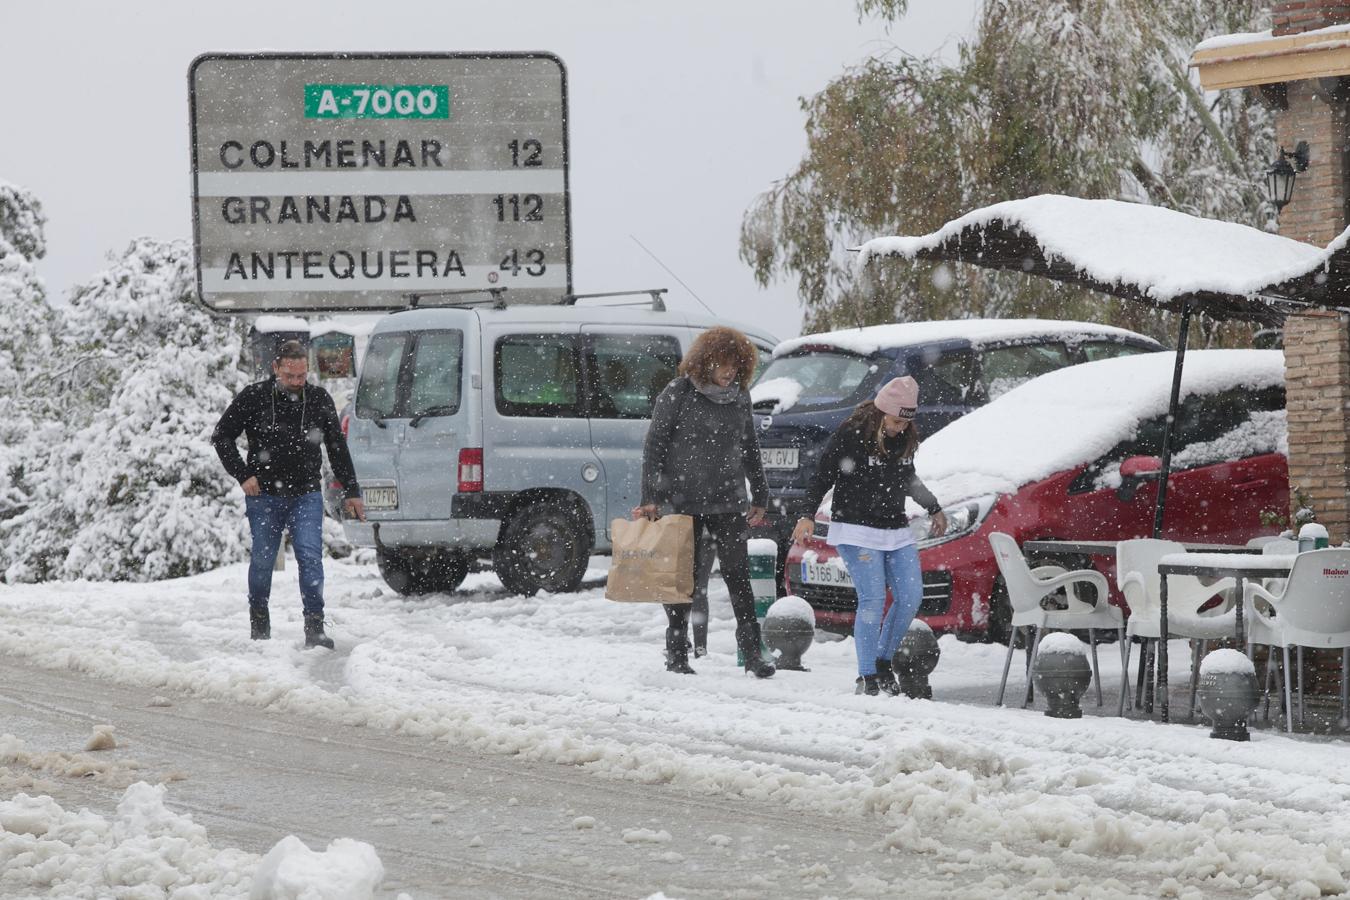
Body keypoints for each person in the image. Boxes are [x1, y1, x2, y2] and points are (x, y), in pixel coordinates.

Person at [791, 376, 947, 695]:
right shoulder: (852, 433)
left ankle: (882, 662)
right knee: (873, 599)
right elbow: (823, 475)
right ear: (881, 413)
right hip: (855, 529)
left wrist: (933, 507)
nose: (900, 427)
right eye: (894, 421)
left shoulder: (904, 438)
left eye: (906, 422)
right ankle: (866, 676)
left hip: (894, 528)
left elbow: (908, 477)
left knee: (910, 597)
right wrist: (806, 514)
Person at [635, 326, 775, 678]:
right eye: (724, 364)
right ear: (705, 361)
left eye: (737, 366)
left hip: (728, 500)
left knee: (738, 576)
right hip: (683, 501)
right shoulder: (678, 392)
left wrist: (760, 494)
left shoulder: (740, 396)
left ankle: (752, 654)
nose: (730, 372)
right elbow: (655, 446)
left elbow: (749, 447)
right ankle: (677, 651)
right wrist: (650, 497)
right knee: (684, 579)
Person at [212, 340, 365, 648]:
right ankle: (259, 625)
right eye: (290, 376)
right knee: (263, 559)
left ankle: (315, 627)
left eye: (301, 376)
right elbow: (222, 436)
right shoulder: (254, 397)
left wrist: (352, 490)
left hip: (306, 493)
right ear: (276, 369)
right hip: (264, 495)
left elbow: (336, 446)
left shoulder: (318, 399)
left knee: (310, 557)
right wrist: (243, 475)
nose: (296, 383)